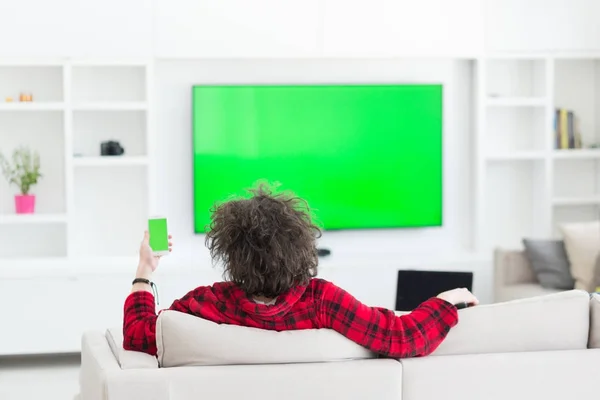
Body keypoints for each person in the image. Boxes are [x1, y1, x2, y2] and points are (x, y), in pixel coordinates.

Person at [123, 184, 478, 357]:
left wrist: (144, 269)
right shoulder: (323, 301)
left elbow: (137, 335)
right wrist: (446, 301)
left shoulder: (207, 304)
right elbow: (403, 337)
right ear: (301, 246)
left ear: (231, 253)